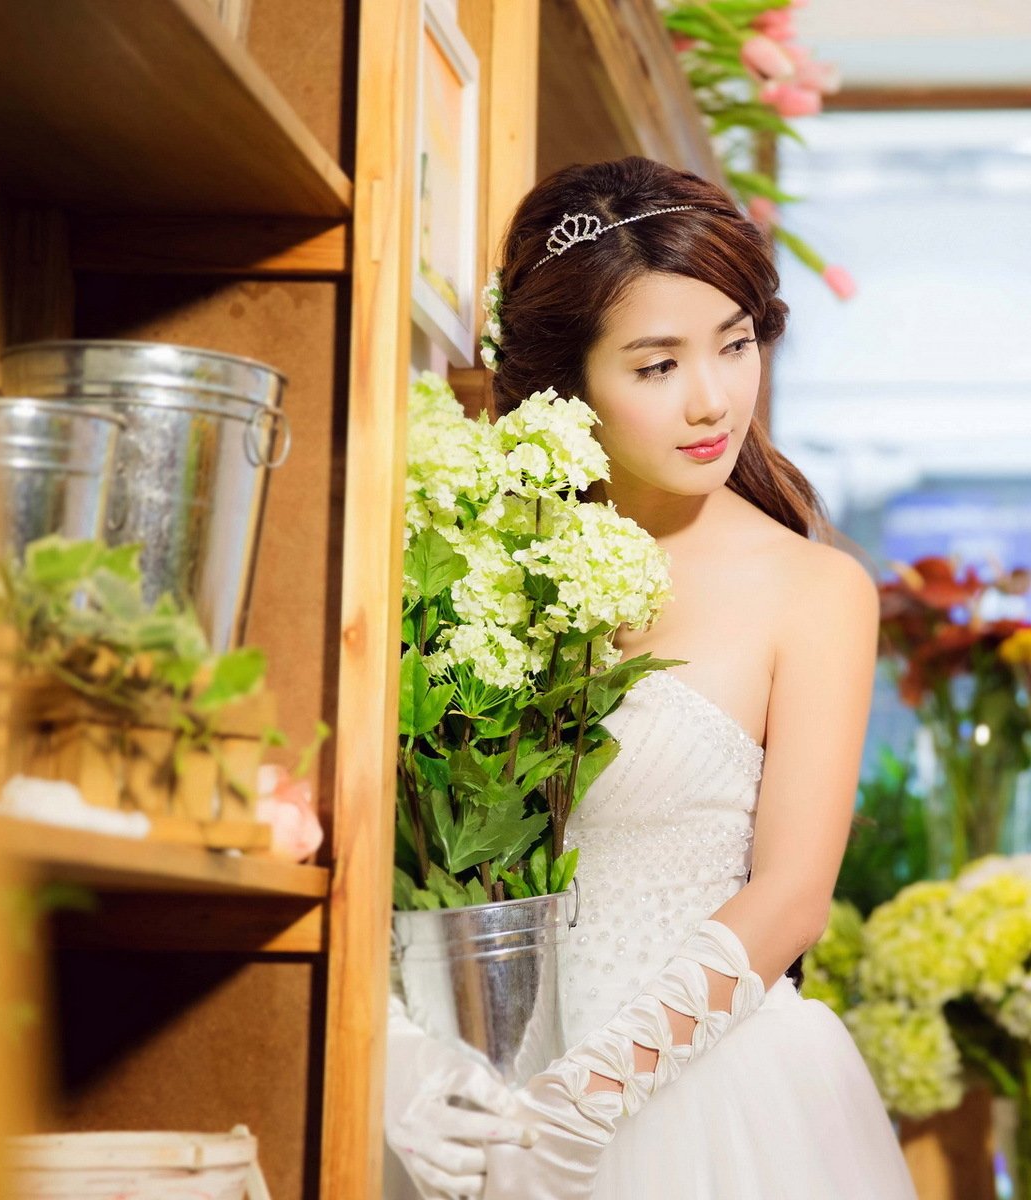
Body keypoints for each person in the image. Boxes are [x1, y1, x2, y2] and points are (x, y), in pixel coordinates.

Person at [385, 156, 917, 1200]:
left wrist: (591, 1095)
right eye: (656, 365)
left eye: (735, 343)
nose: (713, 399)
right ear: (568, 378)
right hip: (479, 1096)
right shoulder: (464, 555)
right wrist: (397, 1052)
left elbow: (793, 894)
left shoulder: (815, 589)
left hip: (709, 1101)